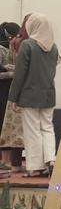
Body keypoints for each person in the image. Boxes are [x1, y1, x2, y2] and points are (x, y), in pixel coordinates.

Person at [7, 13, 59, 177]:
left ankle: (35, 167)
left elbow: (20, 74)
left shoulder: (27, 45)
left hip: (29, 95)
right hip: (49, 94)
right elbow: (52, 72)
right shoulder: (53, 47)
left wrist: (13, 97)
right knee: (47, 128)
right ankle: (51, 160)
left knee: (32, 131)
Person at [0, 15, 30, 173]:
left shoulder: (20, 45)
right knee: (6, 125)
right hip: (8, 91)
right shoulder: (4, 48)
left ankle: (11, 162)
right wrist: (12, 73)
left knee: (11, 127)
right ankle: (7, 161)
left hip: (13, 91)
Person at [0, 22, 21, 173]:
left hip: (11, 90)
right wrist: (13, 73)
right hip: (3, 90)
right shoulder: (1, 49)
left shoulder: (17, 46)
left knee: (8, 124)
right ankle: (4, 160)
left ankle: (8, 161)